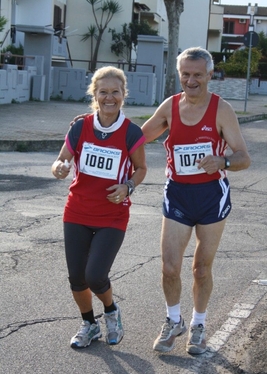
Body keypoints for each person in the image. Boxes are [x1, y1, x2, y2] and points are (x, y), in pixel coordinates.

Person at [141, 47, 251, 355]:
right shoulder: (169, 107)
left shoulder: (222, 110)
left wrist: (223, 162)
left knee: (201, 268)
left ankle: (199, 325)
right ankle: (173, 320)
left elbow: (243, 157)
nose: (191, 81)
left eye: (198, 75)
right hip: (177, 193)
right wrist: (96, 126)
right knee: (169, 266)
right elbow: (137, 137)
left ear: (209, 75)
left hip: (211, 198)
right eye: (185, 74)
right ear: (179, 75)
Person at [51, 66, 147, 349]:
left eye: (115, 92)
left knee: (95, 276)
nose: (109, 97)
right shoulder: (80, 126)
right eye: (103, 92)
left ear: (123, 95)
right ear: (94, 94)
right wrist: (59, 167)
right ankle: (89, 325)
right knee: (77, 278)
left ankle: (111, 312)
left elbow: (141, 168)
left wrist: (127, 186)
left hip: (112, 215)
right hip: (77, 211)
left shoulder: (132, 132)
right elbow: (61, 160)